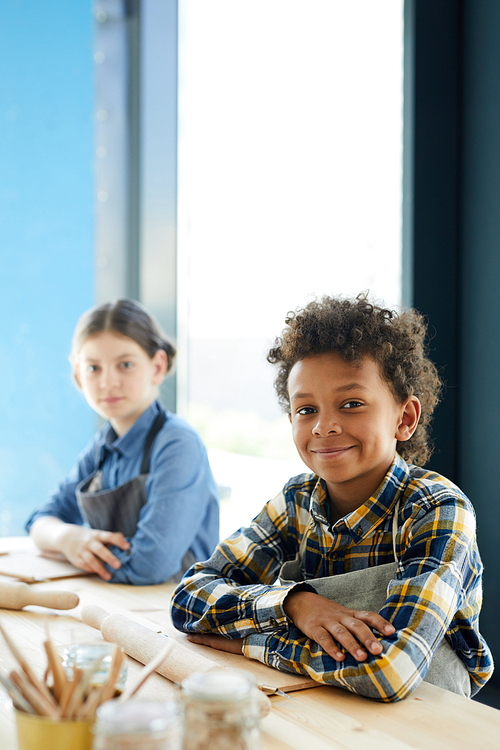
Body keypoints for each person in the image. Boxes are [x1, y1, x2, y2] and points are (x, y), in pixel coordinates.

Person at [171, 294, 493, 702]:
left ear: (404, 418)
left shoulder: (438, 509)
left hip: (426, 720)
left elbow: (390, 672)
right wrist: (296, 605)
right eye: (306, 410)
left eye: (352, 404)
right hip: (322, 707)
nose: (324, 426)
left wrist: (257, 645)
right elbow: (189, 598)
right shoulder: (295, 501)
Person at [26, 299, 219, 585]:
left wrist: (78, 553)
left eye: (125, 365)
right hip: (118, 603)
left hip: (175, 613)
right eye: (93, 368)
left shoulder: (177, 443)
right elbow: (40, 520)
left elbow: (149, 566)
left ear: (157, 366)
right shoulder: (102, 446)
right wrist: (70, 538)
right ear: (78, 373)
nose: (108, 382)